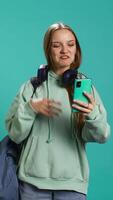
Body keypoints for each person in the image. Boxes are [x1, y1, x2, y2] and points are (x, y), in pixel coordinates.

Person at [5, 22, 110, 200]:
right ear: (48, 49)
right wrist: (30, 109)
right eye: (57, 45)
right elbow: (15, 135)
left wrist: (92, 116)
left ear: (76, 49)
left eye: (70, 44)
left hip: (72, 184)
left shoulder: (84, 88)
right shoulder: (31, 87)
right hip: (31, 184)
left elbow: (102, 136)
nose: (64, 50)